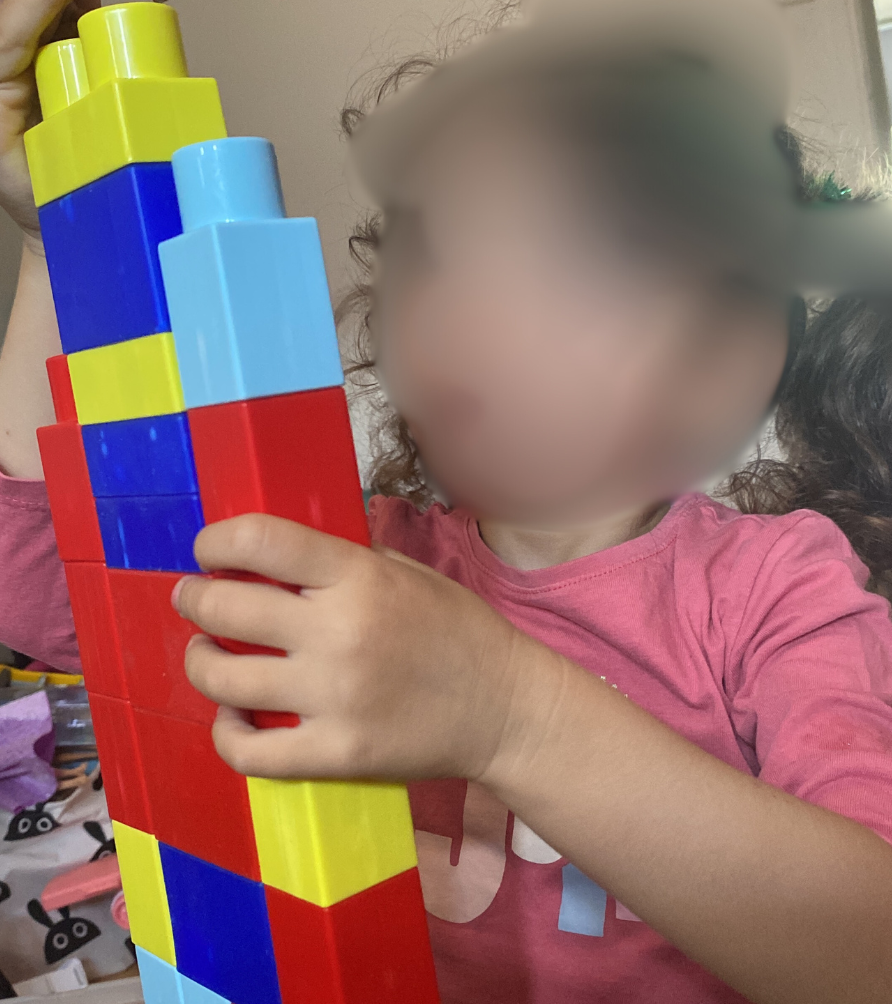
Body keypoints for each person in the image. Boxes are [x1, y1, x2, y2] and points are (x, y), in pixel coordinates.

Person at [0, 1, 891, 1003]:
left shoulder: (779, 588)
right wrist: (48, 243)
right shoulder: (354, 554)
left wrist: (512, 716)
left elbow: (869, 955)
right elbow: (46, 585)